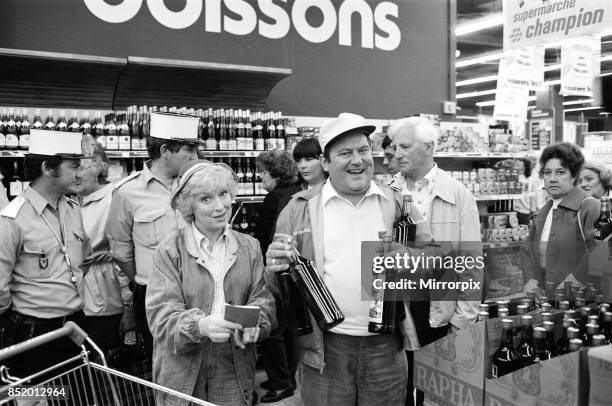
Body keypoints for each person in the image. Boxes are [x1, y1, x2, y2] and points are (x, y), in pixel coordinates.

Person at [266, 113, 448, 406]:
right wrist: (273, 269)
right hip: (326, 348)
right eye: (345, 153)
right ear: (325, 163)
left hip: (386, 346)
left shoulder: (396, 203)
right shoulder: (298, 210)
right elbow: (275, 287)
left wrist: (410, 257)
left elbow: (438, 260)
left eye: (363, 150)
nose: (358, 160)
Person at [146, 162, 275, 406]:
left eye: (223, 194)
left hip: (234, 365)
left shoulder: (250, 247)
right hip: (182, 368)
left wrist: (257, 323)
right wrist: (199, 326)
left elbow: (263, 300)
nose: (220, 207)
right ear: (189, 206)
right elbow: (160, 317)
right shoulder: (169, 250)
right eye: (206, 199)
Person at [387, 117, 482, 406]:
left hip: (440, 308)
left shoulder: (458, 194)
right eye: (394, 147)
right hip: (396, 311)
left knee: (437, 392)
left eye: (405, 146)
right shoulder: (385, 193)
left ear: (428, 147)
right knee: (399, 389)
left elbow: (470, 261)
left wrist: (463, 320)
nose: (397, 153)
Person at [106, 112, 199, 358]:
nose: (195, 157)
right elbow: (120, 251)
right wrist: (143, 282)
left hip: (200, 287)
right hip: (156, 294)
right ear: (165, 150)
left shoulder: (198, 184)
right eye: (188, 150)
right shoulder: (127, 192)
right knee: (165, 359)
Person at [0, 129, 88, 378]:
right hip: (34, 334)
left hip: (74, 327)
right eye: (74, 166)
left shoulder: (72, 209)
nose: (81, 173)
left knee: (75, 396)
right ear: (49, 168)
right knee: (41, 397)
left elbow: (83, 263)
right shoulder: (13, 218)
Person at [254, 150, 301, 403]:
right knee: (289, 328)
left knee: (272, 329)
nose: (260, 176)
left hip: (274, 271)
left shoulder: (273, 198)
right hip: (294, 271)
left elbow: (263, 239)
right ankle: (287, 378)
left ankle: (281, 383)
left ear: (274, 173)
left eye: (262, 171)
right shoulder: (297, 192)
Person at [522, 143, 600, 295]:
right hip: (547, 302)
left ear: (574, 176)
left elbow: (601, 252)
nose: (552, 179)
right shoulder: (543, 213)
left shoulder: (590, 206)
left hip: (581, 303)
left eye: (560, 172)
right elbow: (527, 251)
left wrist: (571, 285)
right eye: (547, 172)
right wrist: (532, 284)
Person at [78, 139, 130, 357]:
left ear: (98, 163)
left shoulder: (113, 199)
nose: (75, 173)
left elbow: (124, 254)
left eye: (79, 165)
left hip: (106, 300)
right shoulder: (74, 200)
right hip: (81, 300)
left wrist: (129, 306)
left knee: (95, 363)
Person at [513, 159, 535, 225]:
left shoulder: (530, 180)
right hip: (515, 210)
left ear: (524, 166)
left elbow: (532, 196)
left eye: (520, 162)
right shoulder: (513, 177)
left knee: (524, 233)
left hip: (526, 211)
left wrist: (533, 210)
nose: (518, 162)